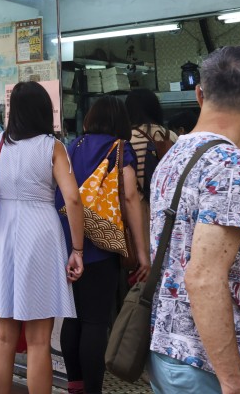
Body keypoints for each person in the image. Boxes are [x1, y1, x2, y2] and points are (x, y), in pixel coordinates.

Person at [148, 47, 240, 394]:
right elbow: (203, 278)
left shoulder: (175, 155)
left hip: (172, 353)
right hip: (207, 367)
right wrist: (233, 382)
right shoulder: (232, 165)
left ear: (199, 94)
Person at [0, 80, 84, 394]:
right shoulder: (52, 147)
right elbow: (73, 199)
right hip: (40, 232)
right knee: (39, 340)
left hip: (3, 232)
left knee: (4, 335)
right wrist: (77, 248)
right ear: (43, 111)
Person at [57, 96, 150, 394]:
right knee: (96, 322)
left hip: (70, 244)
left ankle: (76, 386)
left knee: (73, 319)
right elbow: (130, 197)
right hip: (102, 247)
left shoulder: (72, 147)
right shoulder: (120, 148)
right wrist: (142, 252)